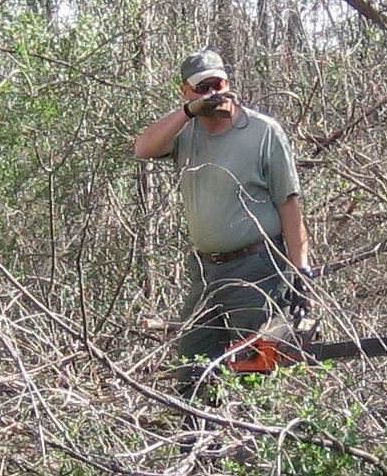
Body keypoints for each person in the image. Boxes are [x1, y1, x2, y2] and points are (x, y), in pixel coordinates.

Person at [133, 49, 314, 391]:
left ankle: (249, 427)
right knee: (193, 371)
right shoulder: (184, 133)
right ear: (186, 92)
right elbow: (143, 148)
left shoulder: (263, 132)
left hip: (257, 270)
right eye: (202, 89)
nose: (212, 94)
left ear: (228, 84)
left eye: (217, 85)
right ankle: (198, 427)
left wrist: (301, 273)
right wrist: (189, 112)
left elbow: (289, 206)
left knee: (254, 374)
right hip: (205, 271)